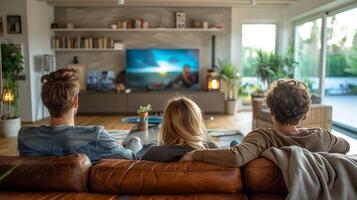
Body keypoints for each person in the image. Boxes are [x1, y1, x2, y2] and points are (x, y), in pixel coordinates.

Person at [181, 79, 350, 167]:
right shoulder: (322, 136)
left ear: (271, 112)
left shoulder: (262, 137)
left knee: (235, 144)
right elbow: (345, 147)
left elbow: (237, 156)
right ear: (305, 114)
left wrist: (195, 154)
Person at [18, 68, 142, 163]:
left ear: (45, 101)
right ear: (76, 101)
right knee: (135, 141)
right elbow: (132, 159)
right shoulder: (96, 135)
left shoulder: (25, 136)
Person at [137, 97, 217, 162]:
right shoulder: (212, 152)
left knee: (136, 141)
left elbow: (136, 161)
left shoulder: (153, 153)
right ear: (196, 123)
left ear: (166, 124)